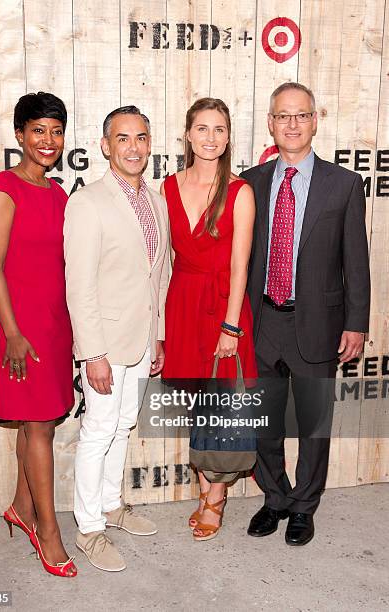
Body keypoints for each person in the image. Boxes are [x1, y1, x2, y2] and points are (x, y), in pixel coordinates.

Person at [241, 82, 370, 546]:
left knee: (314, 423)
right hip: (264, 320)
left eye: (301, 115)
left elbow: (356, 261)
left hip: (319, 322)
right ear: (271, 124)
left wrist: (356, 322)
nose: (291, 124)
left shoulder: (344, 184)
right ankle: (274, 498)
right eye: (282, 116)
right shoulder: (251, 183)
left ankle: (304, 506)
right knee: (265, 419)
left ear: (315, 121)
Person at [64, 105, 169, 572]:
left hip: (142, 338)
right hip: (105, 343)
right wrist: (93, 354)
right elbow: (79, 285)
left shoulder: (156, 199)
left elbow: (159, 275)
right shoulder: (87, 202)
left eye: (141, 138)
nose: (133, 147)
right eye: (122, 138)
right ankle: (88, 528)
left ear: (149, 145)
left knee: (124, 425)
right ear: (106, 146)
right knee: (98, 433)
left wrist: (159, 336)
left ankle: (111, 505)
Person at [0, 92, 77, 577]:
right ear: (19, 134)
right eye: (38, 130)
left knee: (37, 422)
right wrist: (13, 333)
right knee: (38, 425)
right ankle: (48, 532)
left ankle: (20, 505)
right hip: (18, 326)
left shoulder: (58, 194)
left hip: (54, 323)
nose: (48, 140)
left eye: (56, 131)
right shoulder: (2, 189)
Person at [161, 97, 257, 541]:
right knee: (200, 405)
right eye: (202, 128)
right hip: (183, 302)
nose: (211, 138)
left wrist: (231, 326)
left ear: (228, 136)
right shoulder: (166, 186)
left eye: (219, 129)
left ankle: (215, 499)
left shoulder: (239, 191)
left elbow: (241, 267)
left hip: (223, 307)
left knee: (224, 405)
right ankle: (206, 493)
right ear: (188, 134)